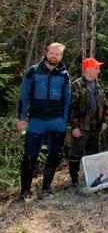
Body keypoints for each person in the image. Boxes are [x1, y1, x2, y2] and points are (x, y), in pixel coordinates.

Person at [17, 43, 71, 198]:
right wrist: (21, 118)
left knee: (54, 155)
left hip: (58, 122)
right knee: (29, 156)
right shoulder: (34, 71)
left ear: (61, 56)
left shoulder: (64, 74)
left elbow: (68, 99)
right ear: (47, 53)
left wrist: (64, 120)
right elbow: (23, 96)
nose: (54, 56)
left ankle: (46, 188)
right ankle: (25, 191)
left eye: (58, 54)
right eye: (52, 53)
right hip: (36, 121)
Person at [68, 57, 108, 188]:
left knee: (94, 152)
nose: (98, 70)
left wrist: (104, 121)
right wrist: (74, 127)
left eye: (98, 68)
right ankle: (74, 180)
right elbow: (71, 108)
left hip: (95, 127)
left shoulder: (98, 85)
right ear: (87, 69)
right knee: (76, 153)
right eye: (96, 68)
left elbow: (105, 106)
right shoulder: (77, 85)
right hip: (81, 127)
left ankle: (92, 177)